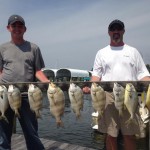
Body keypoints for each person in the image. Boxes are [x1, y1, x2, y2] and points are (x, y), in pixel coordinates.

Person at [90, 19, 150, 150]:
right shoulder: (101, 53)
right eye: (113, 29)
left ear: (123, 31)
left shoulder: (133, 51)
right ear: (109, 32)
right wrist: (91, 86)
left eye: (118, 29)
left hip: (131, 95)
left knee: (130, 134)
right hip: (108, 96)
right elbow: (96, 75)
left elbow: (143, 74)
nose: (116, 32)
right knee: (111, 134)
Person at [0, 14, 50, 150]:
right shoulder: (2, 48)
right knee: (3, 133)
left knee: (31, 132)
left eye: (20, 25)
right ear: (8, 28)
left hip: (28, 96)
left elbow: (38, 71)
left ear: (25, 29)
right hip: (5, 95)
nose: (17, 28)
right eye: (14, 25)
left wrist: (48, 83)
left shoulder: (34, 48)